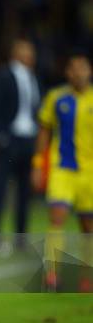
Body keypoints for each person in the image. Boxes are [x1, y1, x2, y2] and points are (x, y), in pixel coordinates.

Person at [32, 53, 93, 292]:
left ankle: (86, 276)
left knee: (87, 227)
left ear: (89, 71)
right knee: (56, 218)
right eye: (74, 69)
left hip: (89, 173)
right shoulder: (56, 98)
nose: (78, 73)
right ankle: (52, 275)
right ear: (67, 73)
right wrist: (38, 164)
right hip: (62, 169)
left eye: (83, 68)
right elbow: (44, 130)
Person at [0, 39, 40, 236]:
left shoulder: (33, 77)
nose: (31, 54)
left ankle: (21, 237)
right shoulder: (4, 75)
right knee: (0, 190)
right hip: (10, 139)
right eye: (26, 50)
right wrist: (0, 136)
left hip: (28, 139)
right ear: (16, 52)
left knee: (25, 193)